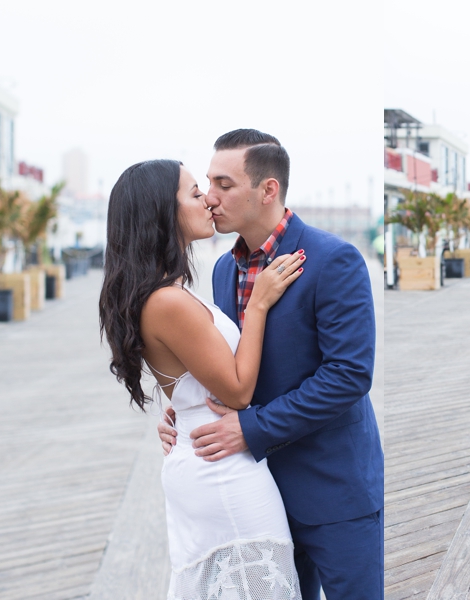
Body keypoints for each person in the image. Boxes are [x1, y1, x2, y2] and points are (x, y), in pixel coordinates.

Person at [157, 129, 384, 599]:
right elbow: (231, 365)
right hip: (254, 494)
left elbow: (349, 376)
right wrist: (186, 408)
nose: (211, 197)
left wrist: (252, 427)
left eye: (224, 184)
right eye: (206, 184)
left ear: (268, 190)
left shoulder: (333, 260)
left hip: (331, 489)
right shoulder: (223, 269)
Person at [99, 159, 305, 598]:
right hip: (222, 473)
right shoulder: (167, 301)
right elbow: (237, 389)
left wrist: (184, 410)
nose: (208, 201)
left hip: (207, 455)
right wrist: (259, 305)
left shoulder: (166, 292)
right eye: (195, 193)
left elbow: (194, 376)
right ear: (162, 213)